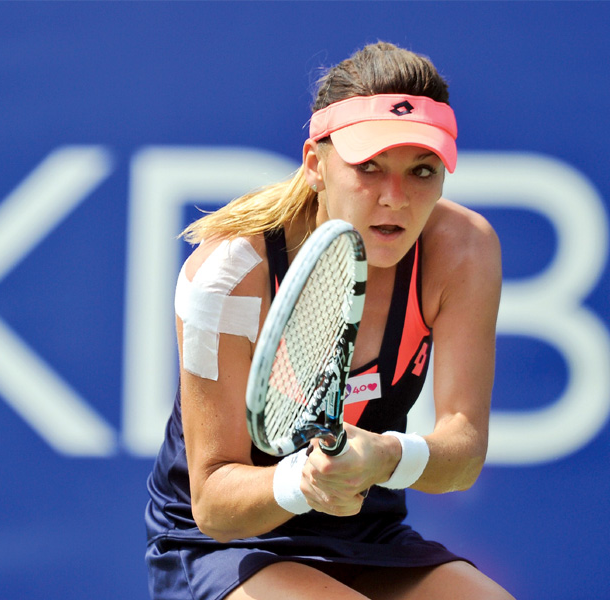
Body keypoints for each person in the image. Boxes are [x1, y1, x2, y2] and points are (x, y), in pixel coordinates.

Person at [145, 42, 514, 600]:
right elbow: (215, 503)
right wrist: (306, 480)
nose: (397, 198)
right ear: (317, 165)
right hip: (225, 545)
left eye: (422, 170)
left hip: (370, 534)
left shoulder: (464, 251)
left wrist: (387, 456)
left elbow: (462, 455)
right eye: (369, 168)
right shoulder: (229, 273)